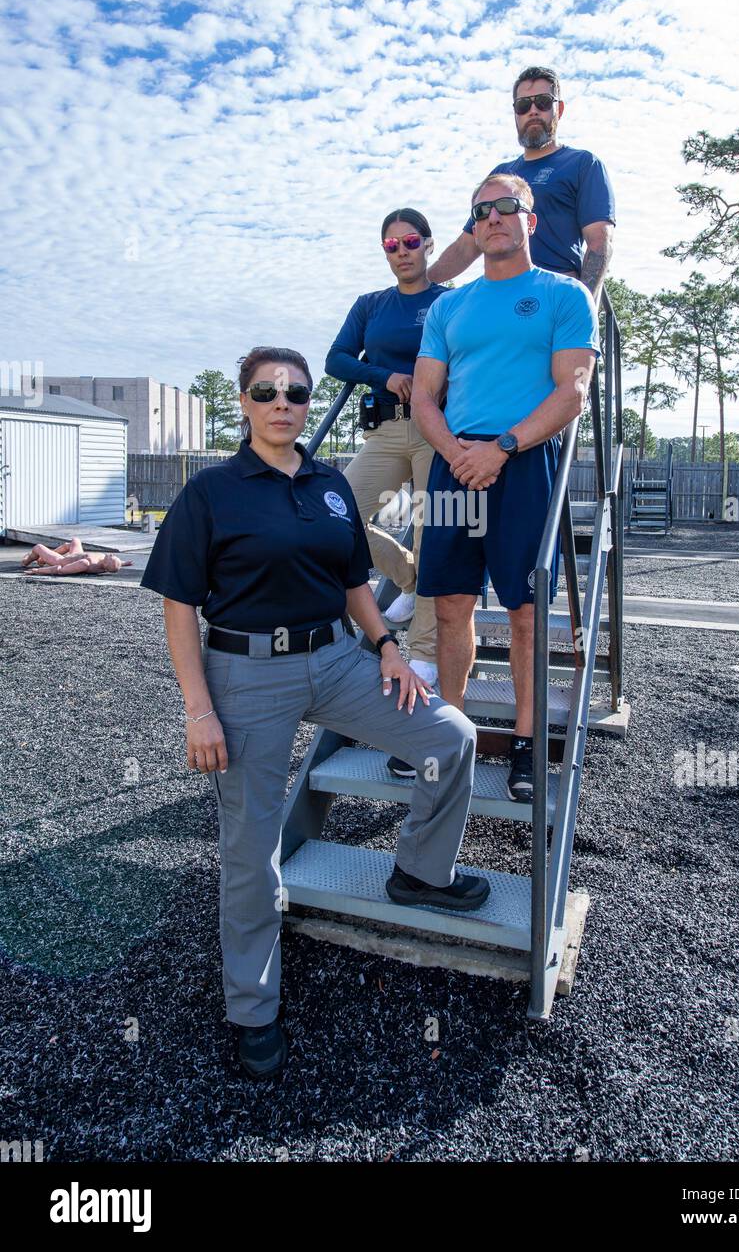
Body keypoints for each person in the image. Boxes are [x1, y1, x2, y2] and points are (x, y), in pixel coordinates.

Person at [140, 347, 486, 1081]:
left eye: (296, 392)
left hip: (336, 662)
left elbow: (352, 578)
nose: (283, 402)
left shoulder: (330, 484)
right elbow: (179, 606)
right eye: (266, 391)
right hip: (243, 677)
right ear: (243, 401)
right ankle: (252, 1008)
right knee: (251, 849)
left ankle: (420, 871)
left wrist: (389, 647)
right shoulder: (211, 494)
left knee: (450, 734)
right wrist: (198, 709)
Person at [412, 175, 600, 804]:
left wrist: (503, 448)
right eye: (480, 211)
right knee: (449, 608)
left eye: (505, 208)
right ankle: (448, 735)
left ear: (531, 219)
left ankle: (524, 744)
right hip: (455, 460)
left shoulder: (564, 295)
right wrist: (457, 455)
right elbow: (422, 396)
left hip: (522, 463)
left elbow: (572, 391)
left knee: (524, 614)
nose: (492, 218)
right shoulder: (447, 307)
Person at [325, 208, 447, 777]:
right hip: (383, 427)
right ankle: (407, 575)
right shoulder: (371, 305)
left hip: (436, 428)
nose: (401, 250)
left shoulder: (449, 299)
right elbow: (335, 359)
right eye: (391, 243)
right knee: (337, 514)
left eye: (411, 241)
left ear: (428, 244)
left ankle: (423, 659)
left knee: (436, 528)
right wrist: (383, 375)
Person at [428, 65, 615, 301]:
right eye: (524, 105)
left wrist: (586, 307)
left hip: (554, 296)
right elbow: (466, 246)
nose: (533, 111)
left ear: (559, 109)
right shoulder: (501, 174)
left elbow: (600, 240)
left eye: (543, 102)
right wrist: (418, 284)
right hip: (502, 299)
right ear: (516, 113)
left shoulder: (582, 164)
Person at [21, 539, 131, 575]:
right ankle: (41, 559)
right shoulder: (105, 563)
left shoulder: (85, 563)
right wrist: (123, 563)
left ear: (106, 565)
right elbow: (114, 565)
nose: (111, 554)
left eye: (111, 557)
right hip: (77, 555)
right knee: (75, 541)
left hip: (60, 561)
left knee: (38, 547)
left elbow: (60, 570)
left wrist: (38, 571)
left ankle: (27, 560)